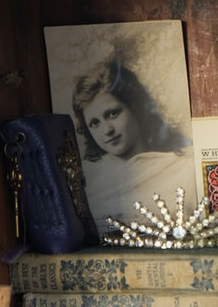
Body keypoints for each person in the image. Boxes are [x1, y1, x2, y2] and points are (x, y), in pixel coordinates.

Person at [70, 60, 197, 228]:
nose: (107, 130)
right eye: (95, 123)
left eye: (113, 114)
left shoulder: (183, 170)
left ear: (134, 107)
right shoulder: (86, 181)